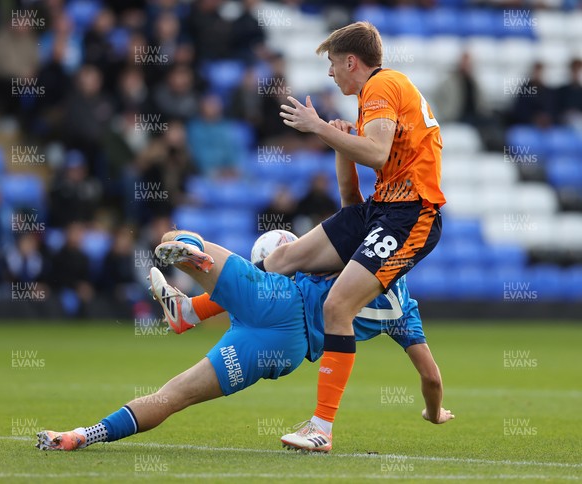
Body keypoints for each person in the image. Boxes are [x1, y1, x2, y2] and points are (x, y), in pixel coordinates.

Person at [36, 230, 453, 452]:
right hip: (286, 353)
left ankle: (189, 289)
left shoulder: (357, 253)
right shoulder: (406, 314)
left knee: (174, 237)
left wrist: (337, 138)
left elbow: (349, 204)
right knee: (174, 396)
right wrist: (434, 413)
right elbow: (431, 378)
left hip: (279, 305)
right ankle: (81, 436)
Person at [258, 21, 446, 450]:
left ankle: (321, 428)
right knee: (284, 259)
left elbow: (377, 153)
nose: (330, 74)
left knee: (338, 305)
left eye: (331, 64)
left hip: (410, 215)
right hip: (382, 209)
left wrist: (319, 127)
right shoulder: (376, 95)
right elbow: (353, 191)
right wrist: (340, 139)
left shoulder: (382, 87)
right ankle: (192, 309)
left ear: (350, 61)